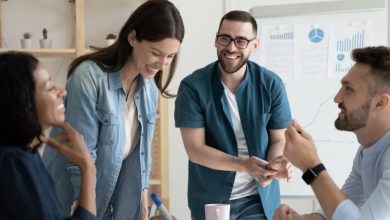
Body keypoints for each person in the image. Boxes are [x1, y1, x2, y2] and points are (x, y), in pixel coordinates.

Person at [42, 0, 184, 219]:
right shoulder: (88, 78)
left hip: (108, 208)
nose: (162, 64)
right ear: (133, 38)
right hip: (70, 207)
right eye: (156, 53)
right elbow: (81, 162)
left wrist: (143, 215)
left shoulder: (149, 89)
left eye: (171, 56)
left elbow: (141, 164)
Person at [175, 10, 293, 220]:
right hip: (211, 200)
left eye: (241, 41)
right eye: (225, 39)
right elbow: (195, 150)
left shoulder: (271, 84)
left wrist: (273, 164)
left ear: (254, 45)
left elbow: (278, 138)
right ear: (216, 40)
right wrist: (243, 165)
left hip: (258, 200)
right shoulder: (192, 87)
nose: (231, 48)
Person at [273, 46, 390, 220]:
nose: (337, 98)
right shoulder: (367, 152)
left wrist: (311, 165)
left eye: (348, 89)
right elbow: (343, 209)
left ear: (380, 102)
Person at [0, 51, 96, 220]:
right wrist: (88, 168)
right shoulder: (14, 165)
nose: (62, 92)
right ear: (22, 101)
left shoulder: (25, 157)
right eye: (50, 87)